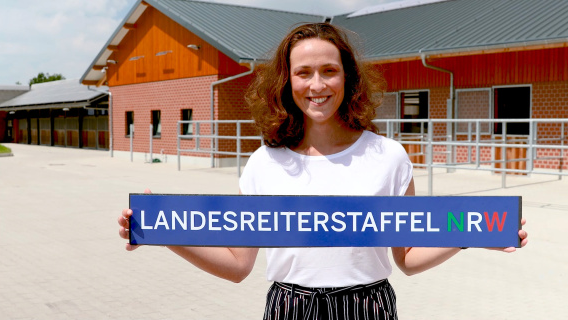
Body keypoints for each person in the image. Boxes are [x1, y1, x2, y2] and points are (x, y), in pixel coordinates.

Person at [118, 23, 528, 320]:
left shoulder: (388, 156)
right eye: (304, 72)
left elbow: (406, 258)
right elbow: (238, 265)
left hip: (369, 307)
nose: (318, 84)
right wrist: (163, 232)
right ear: (287, 81)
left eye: (329, 70)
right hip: (289, 308)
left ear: (347, 77)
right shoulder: (265, 162)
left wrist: (471, 234)